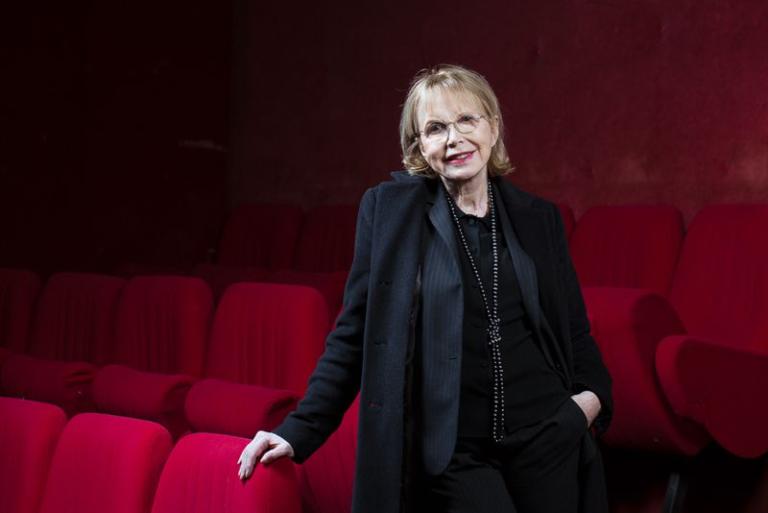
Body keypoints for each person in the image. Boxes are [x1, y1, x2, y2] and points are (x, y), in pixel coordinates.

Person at [237, 64, 613, 513]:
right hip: (454, 450)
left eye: (467, 121)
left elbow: (573, 331)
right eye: (436, 129)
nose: (454, 139)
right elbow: (357, 332)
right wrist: (297, 430)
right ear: (419, 148)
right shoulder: (391, 214)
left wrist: (586, 405)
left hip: (547, 437)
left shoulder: (538, 219)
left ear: (492, 127)